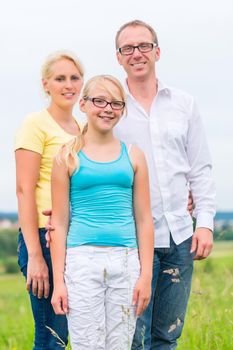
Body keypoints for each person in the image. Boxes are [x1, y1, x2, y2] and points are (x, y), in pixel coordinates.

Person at [113, 20, 216, 349]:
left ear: (157, 51)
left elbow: (200, 167)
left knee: (167, 337)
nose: (137, 54)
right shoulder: (111, 107)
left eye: (143, 46)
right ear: (119, 58)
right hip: (130, 239)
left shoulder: (183, 104)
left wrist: (206, 224)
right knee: (133, 337)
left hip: (179, 238)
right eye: (127, 48)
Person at [49, 75, 154, 350]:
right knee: (87, 344)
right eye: (99, 101)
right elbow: (59, 222)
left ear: (122, 109)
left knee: (120, 344)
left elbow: (144, 220)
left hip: (126, 260)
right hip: (82, 261)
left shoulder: (133, 155)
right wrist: (58, 282)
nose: (108, 108)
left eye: (116, 103)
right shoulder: (67, 156)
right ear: (83, 105)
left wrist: (145, 276)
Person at [14, 50, 84, 349]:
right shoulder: (35, 124)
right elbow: (24, 190)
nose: (68, 85)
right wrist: (35, 256)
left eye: (74, 78)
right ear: (46, 85)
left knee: (68, 336)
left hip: (73, 238)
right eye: (60, 79)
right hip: (42, 238)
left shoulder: (82, 128)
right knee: (50, 338)